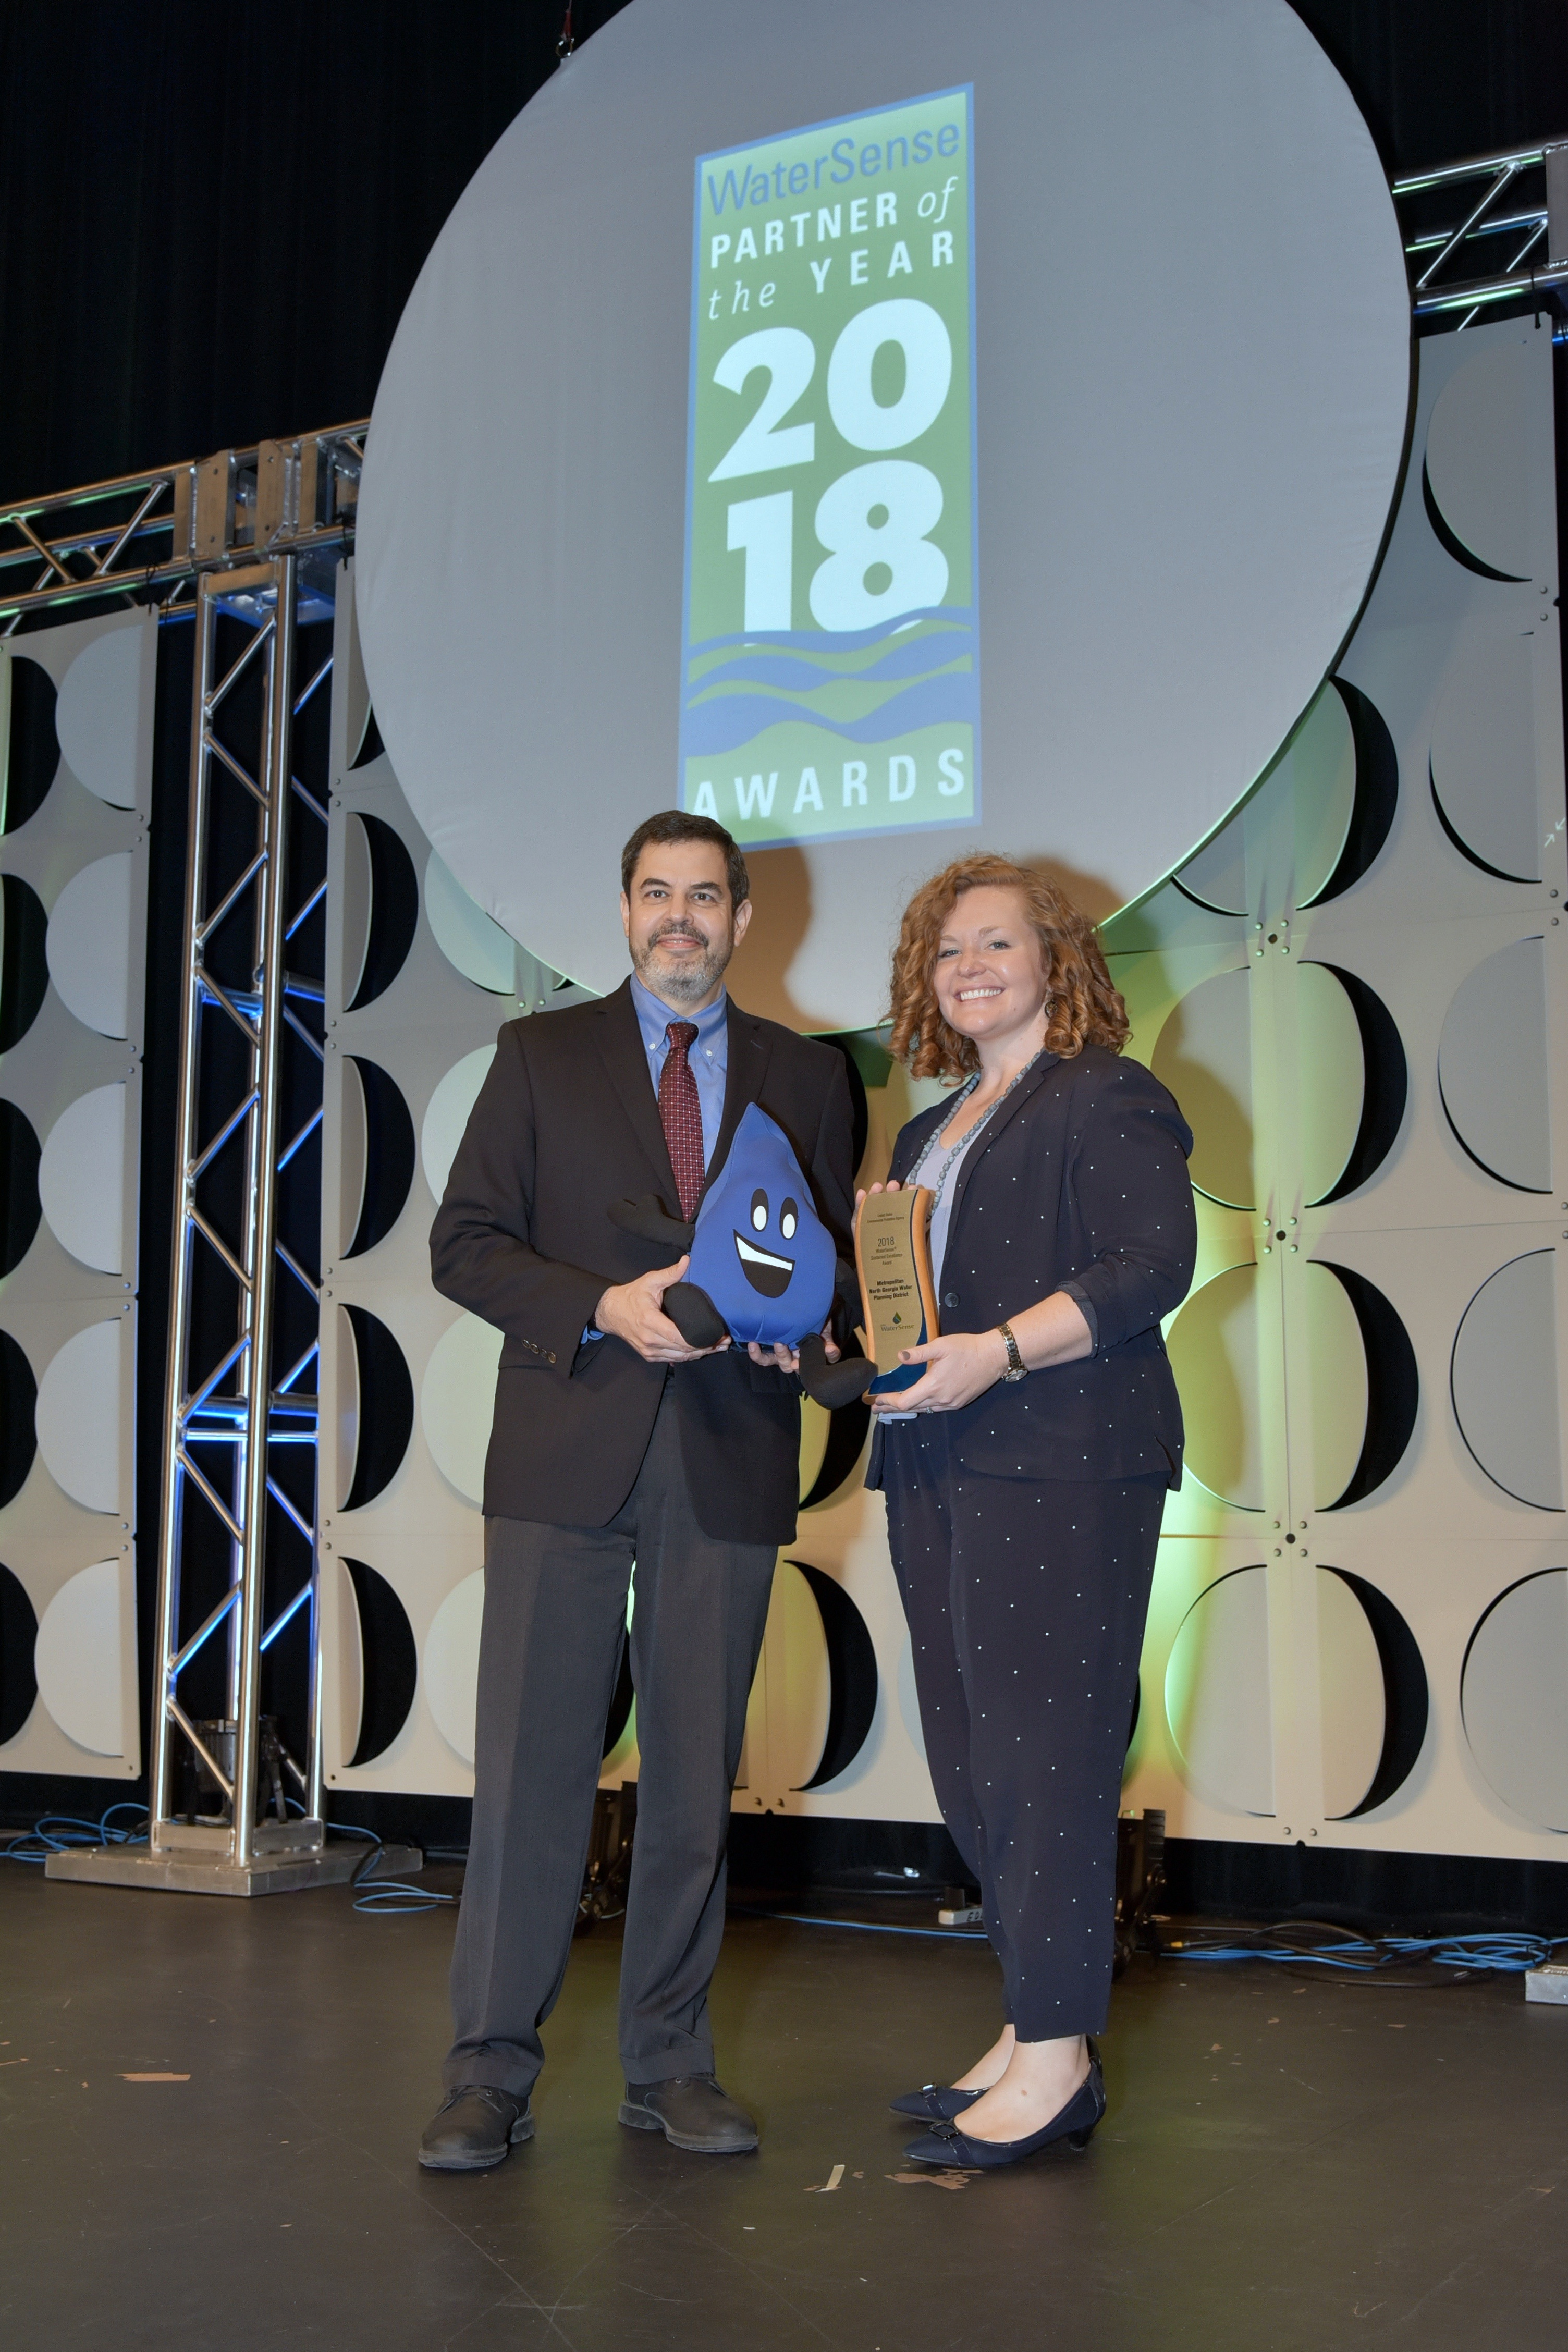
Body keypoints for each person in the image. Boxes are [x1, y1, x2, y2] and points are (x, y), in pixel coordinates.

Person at [418, 810, 856, 2171]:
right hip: (566, 1448)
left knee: (691, 1783)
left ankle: (670, 2063)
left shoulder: (810, 1075)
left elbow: (829, 1275)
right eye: (658, 894)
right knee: (532, 1771)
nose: (682, 917)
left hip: (726, 1456)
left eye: (706, 896)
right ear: (624, 914)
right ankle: (488, 2070)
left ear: (741, 921)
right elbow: (465, 1246)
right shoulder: (538, 1057)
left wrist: (824, 1350)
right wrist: (599, 1303)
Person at [865, 853, 1195, 2171]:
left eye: (999, 943)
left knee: (1044, 1762)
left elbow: (1151, 1266)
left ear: (1057, 962)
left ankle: (1057, 2057)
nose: (971, 967)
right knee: (968, 1760)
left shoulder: (1106, 1096)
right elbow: (916, 1315)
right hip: (938, 1463)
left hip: (1064, 1462)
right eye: (950, 952)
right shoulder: (924, 1133)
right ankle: (1027, 2023)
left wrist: (995, 1351)